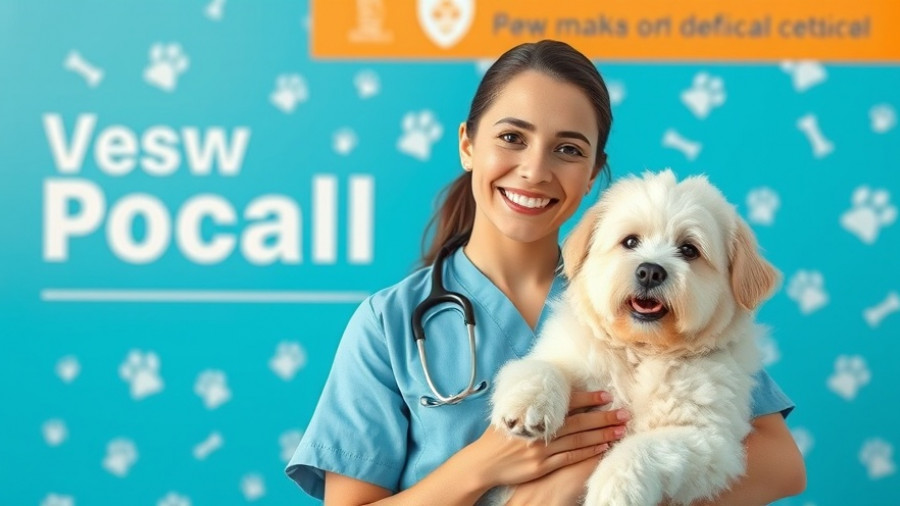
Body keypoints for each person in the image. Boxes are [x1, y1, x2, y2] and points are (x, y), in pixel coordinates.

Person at [285, 39, 806, 505]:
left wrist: (588, 481)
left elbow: (780, 465)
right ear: (468, 144)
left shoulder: (663, 310)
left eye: (567, 149)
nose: (535, 169)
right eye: (512, 137)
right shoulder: (388, 324)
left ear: (592, 176)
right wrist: (480, 468)